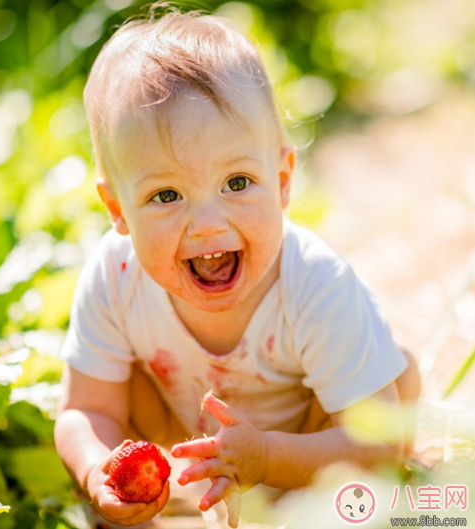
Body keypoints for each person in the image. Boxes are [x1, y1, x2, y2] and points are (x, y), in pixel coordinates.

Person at [54, 6, 421, 528]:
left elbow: (380, 441)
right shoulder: (115, 281)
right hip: (189, 461)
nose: (207, 224)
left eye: (237, 183)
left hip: (311, 456)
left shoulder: (315, 284)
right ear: (118, 210)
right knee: (112, 389)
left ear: (284, 179)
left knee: (390, 389)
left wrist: (267, 457)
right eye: (166, 194)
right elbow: (84, 411)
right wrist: (99, 472)